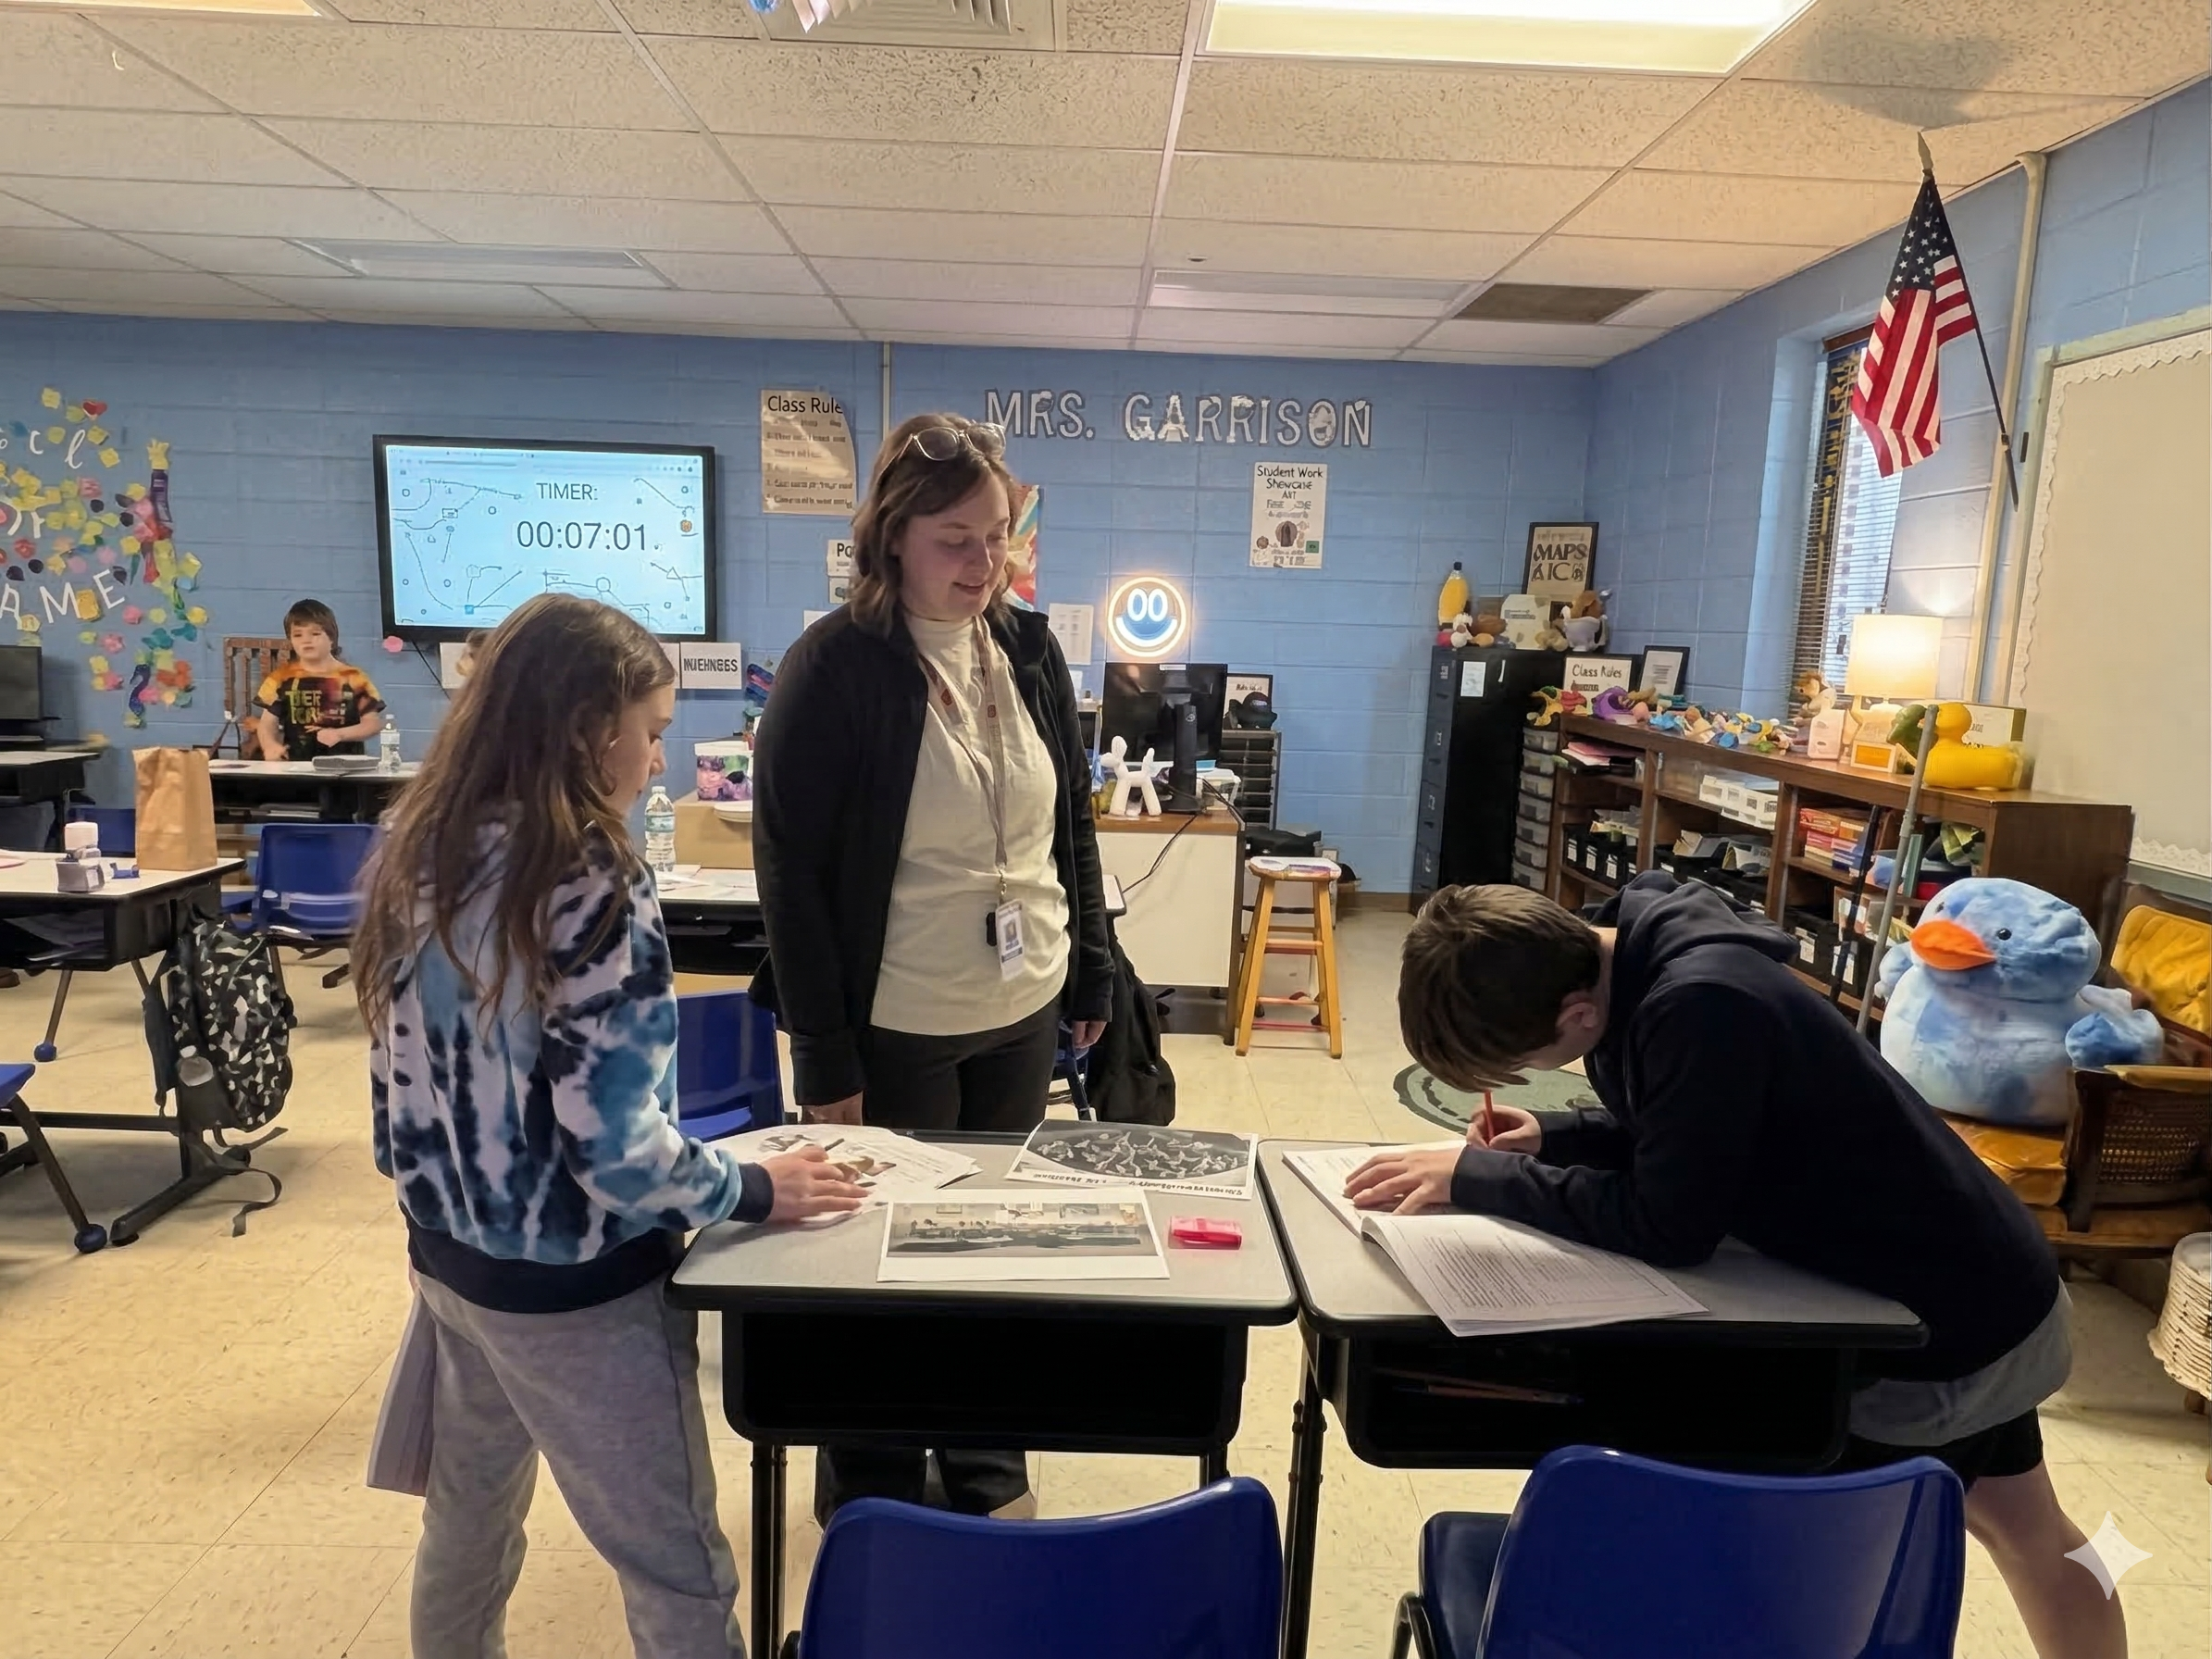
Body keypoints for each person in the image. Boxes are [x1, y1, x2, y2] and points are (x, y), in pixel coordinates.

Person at [1349, 876, 2124, 1659]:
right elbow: (1693, 1125)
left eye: (1527, 1065)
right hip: (1971, 1277)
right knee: (2028, 1526)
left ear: (1578, 1014)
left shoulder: (1701, 1005)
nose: (1524, 1080)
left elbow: (1670, 1221)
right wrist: (1555, 1136)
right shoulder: (1624, 948)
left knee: (1827, 1565)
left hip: (1950, 1328)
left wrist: (1476, 1178)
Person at [353, 593, 865, 1659]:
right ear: (593, 730)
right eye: (654, 729)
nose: (657, 757)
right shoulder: (587, 876)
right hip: (570, 1290)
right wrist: (758, 1187)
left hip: (445, 1260)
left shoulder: (419, 842)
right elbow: (618, 1153)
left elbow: (393, 1082)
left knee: (467, 1520)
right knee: (673, 1562)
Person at [752, 411, 1113, 1523]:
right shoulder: (835, 667)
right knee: (885, 1261)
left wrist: (1091, 967)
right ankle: (869, 1481)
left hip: (1021, 1001)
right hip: (893, 1020)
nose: (981, 562)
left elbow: (1071, 827)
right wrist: (825, 1056)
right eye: (954, 539)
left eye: (997, 535)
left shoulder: (1030, 646)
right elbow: (792, 880)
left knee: (987, 1253)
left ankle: (983, 1464)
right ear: (893, 535)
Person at [255, 598, 386, 760]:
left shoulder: (354, 678)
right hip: (296, 768)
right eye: (297, 635)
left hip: (346, 770)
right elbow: (267, 724)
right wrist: (270, 746)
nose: (306, 640)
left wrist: (340, 734)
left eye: (315, 633)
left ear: (331, 637)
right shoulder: (280, 678)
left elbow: (373, 724)